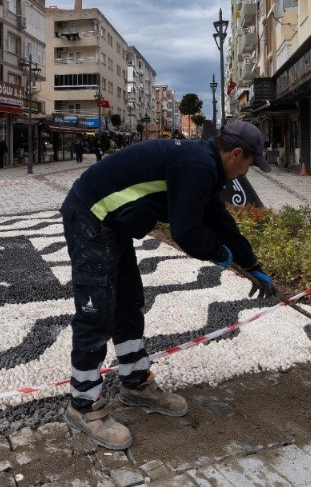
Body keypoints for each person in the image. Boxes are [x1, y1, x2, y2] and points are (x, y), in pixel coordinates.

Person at [60, 121, 275, 449]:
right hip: (90, 214)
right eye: (250, 163)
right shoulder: (198, 165)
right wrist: (218, 254)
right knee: (97, 311)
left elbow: (219, 220)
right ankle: (83, 404)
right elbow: (187, 230)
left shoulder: (206, 167)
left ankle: (135, 383)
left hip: (113, 223)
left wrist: (251, 264)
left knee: (129, 303)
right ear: (235, 154)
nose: (248, 171)